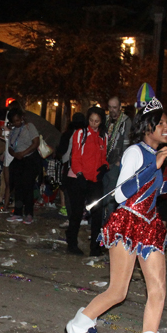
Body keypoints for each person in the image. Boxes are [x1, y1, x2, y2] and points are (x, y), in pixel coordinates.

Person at [65, 98, 167, 333]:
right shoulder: (136, 152)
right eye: (161, 123)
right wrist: (153, 166)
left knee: (158, 290)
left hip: (149, 225)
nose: (166, 127)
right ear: (147, 126)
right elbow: (121, 194)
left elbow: (155, 190)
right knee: (118, 292)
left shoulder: (155, 153)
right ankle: (79, 322)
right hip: (128, 223)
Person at [64, 106, 108, 255]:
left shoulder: (103, 136)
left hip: (95, 179)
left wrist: (104, 167)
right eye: (91, 120)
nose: (94, 124)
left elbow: (103, 156)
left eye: (97, 121)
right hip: (78, 178)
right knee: (77, 212)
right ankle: (72, 243)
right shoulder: (80, 134)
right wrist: (80, 174)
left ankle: (95, 247)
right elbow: (75, 156)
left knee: (97, 213)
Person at [5, 107, 41, 224]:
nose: (17, 123)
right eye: (14, 121)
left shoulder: (29, 126)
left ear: (22, 118)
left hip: (30, 159)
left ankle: (29, 213)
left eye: (18, 120)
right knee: (18, 186)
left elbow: (36, 142)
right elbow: (10, 147)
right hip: (18, 160)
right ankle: (18, 212)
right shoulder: (14, 131)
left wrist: (23, 153)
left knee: (28, 186)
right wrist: (15, 154)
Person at [103, 96, 131, 219]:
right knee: (102, 193)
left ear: (120, 107)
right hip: (103, 162)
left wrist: (121, 160)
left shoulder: (125, 121)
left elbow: (127, 142)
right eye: (110, 107)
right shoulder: (106, 120)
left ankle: (110, 223)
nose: (112, 110)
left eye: (115, 107)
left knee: (110, 195)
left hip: (115, 163)